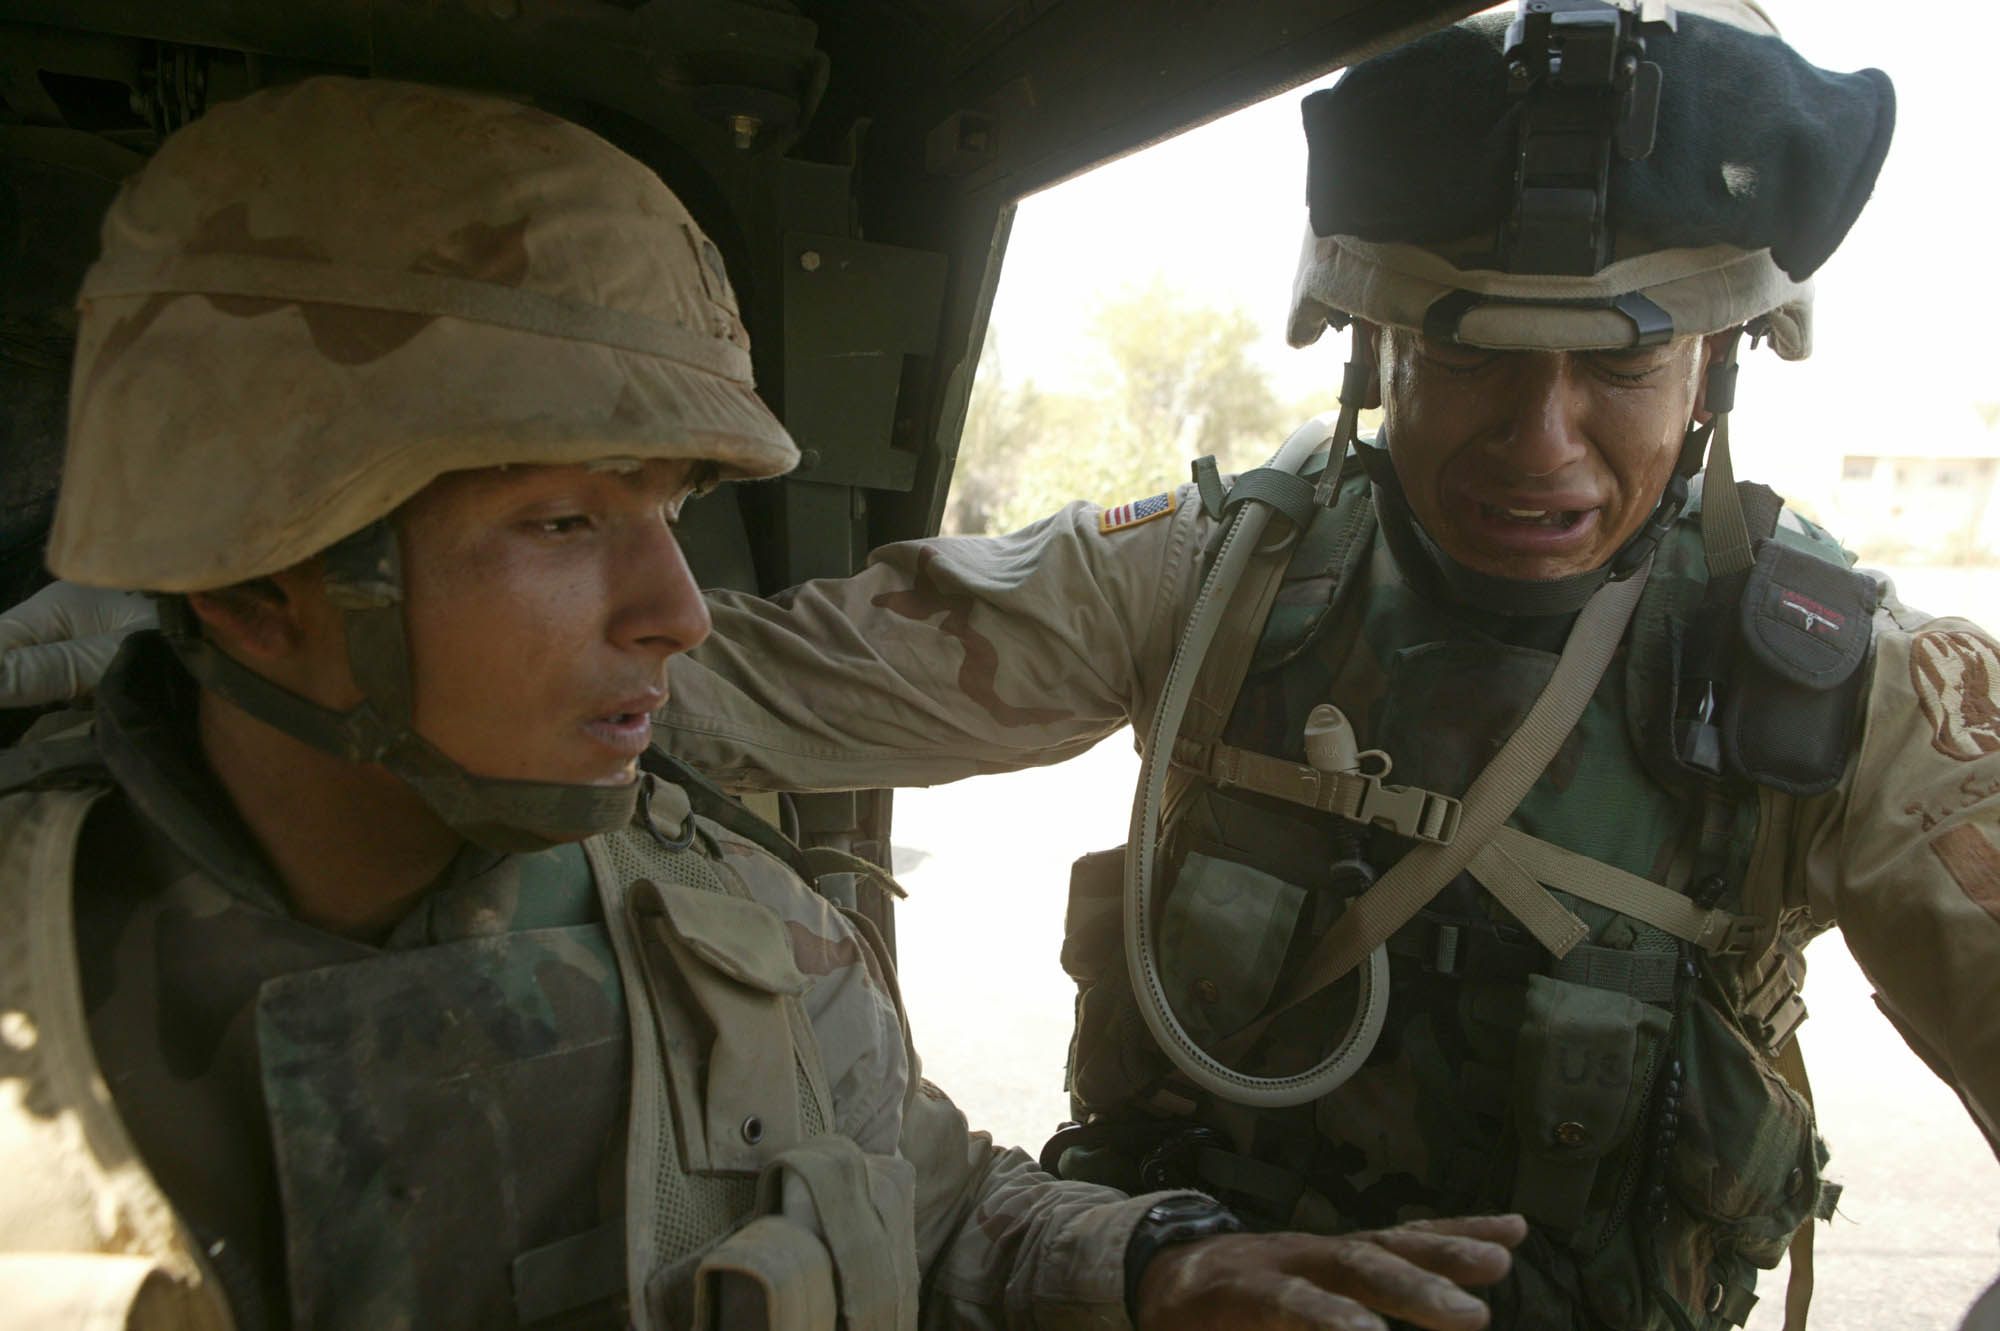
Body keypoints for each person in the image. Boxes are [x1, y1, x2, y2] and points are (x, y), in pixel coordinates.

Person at [0, 77, 1534, 1331]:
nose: (676, 614)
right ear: (260, 586)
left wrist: (1158, 1265)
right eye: (560, 523)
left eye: (668, 511)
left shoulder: (735, 932)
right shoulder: (38, 1002)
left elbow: (938, 1207)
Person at [647, 4, 1997, 1329]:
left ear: (1716, 368)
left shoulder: (1851, 690)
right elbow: (696, 694)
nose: (1542, 443)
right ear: (1371, 349)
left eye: (1624, 364)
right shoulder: (1210, 577)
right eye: (1464, 353)